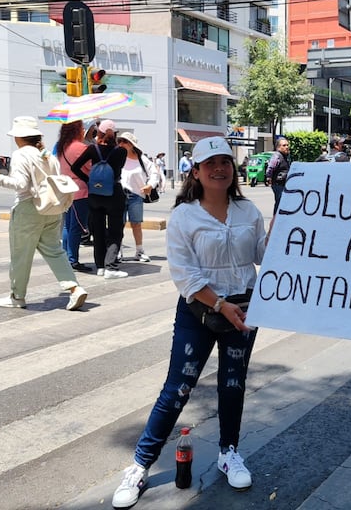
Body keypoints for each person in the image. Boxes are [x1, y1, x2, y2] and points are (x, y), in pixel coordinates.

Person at [112, 137, 266, 508]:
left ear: (234, 168)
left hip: (244, 308)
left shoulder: (248, 211)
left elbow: (262, 254)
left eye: (226, 162)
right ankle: (140, 465)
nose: (220, 169)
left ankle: (229, 453)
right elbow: (183, 273)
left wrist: (282, 231)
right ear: (195, 171)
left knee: (233, 384)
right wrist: (219, 305)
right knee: (178, 389)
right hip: (199, 312)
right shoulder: (184, 215)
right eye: (210, 163)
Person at [0, 116, 88, 311]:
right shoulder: (47, 155)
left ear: (19, 137)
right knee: (55, 251)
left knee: (21, 254)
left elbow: (20, 185)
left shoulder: (21, 154)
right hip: (52, 208)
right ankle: (74, 288)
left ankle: (17, 296)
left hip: (28, 208)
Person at [71, 119, 129, 279]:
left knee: (98, 231)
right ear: (115, 134)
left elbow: (75, 167)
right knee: (115, 231)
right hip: (114, 193)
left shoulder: (92, 149)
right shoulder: (121, 151)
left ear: (99, 133)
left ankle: (100, 267)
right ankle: (111, 266)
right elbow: (119, 168)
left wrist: (88, 180)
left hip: (95, 195)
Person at [56, 120, 92, 273]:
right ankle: (73, 260)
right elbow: (90, 167)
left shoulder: (61, 146)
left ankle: (65, 257)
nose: (83, 130)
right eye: (81, 127)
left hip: (65, 190)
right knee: (77, 227)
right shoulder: (81, 147)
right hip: (80, 191)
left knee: (67, 226)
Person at [118, 132, 160, 262]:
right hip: (119, 194)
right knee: (119, 224)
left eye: (124, 141)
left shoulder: (141, 158)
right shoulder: (117, 156)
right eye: (119, 141)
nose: (121, 144)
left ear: (131, 145)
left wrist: (150, 185)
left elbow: (154, 172)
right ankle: (117, 251)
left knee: (136, 223)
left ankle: (139, 251)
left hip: (136, 195)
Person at [265, 136, 291, 214]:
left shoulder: (286, 156)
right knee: (280, 203)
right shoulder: (277, 156)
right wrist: (269, 177)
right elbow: (270, 168)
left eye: (287, 145)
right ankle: (275, 219)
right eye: (284, 145)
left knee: (284, 203)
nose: (286, 147)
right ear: (278, 147)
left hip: (284, 183)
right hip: (278, 184)